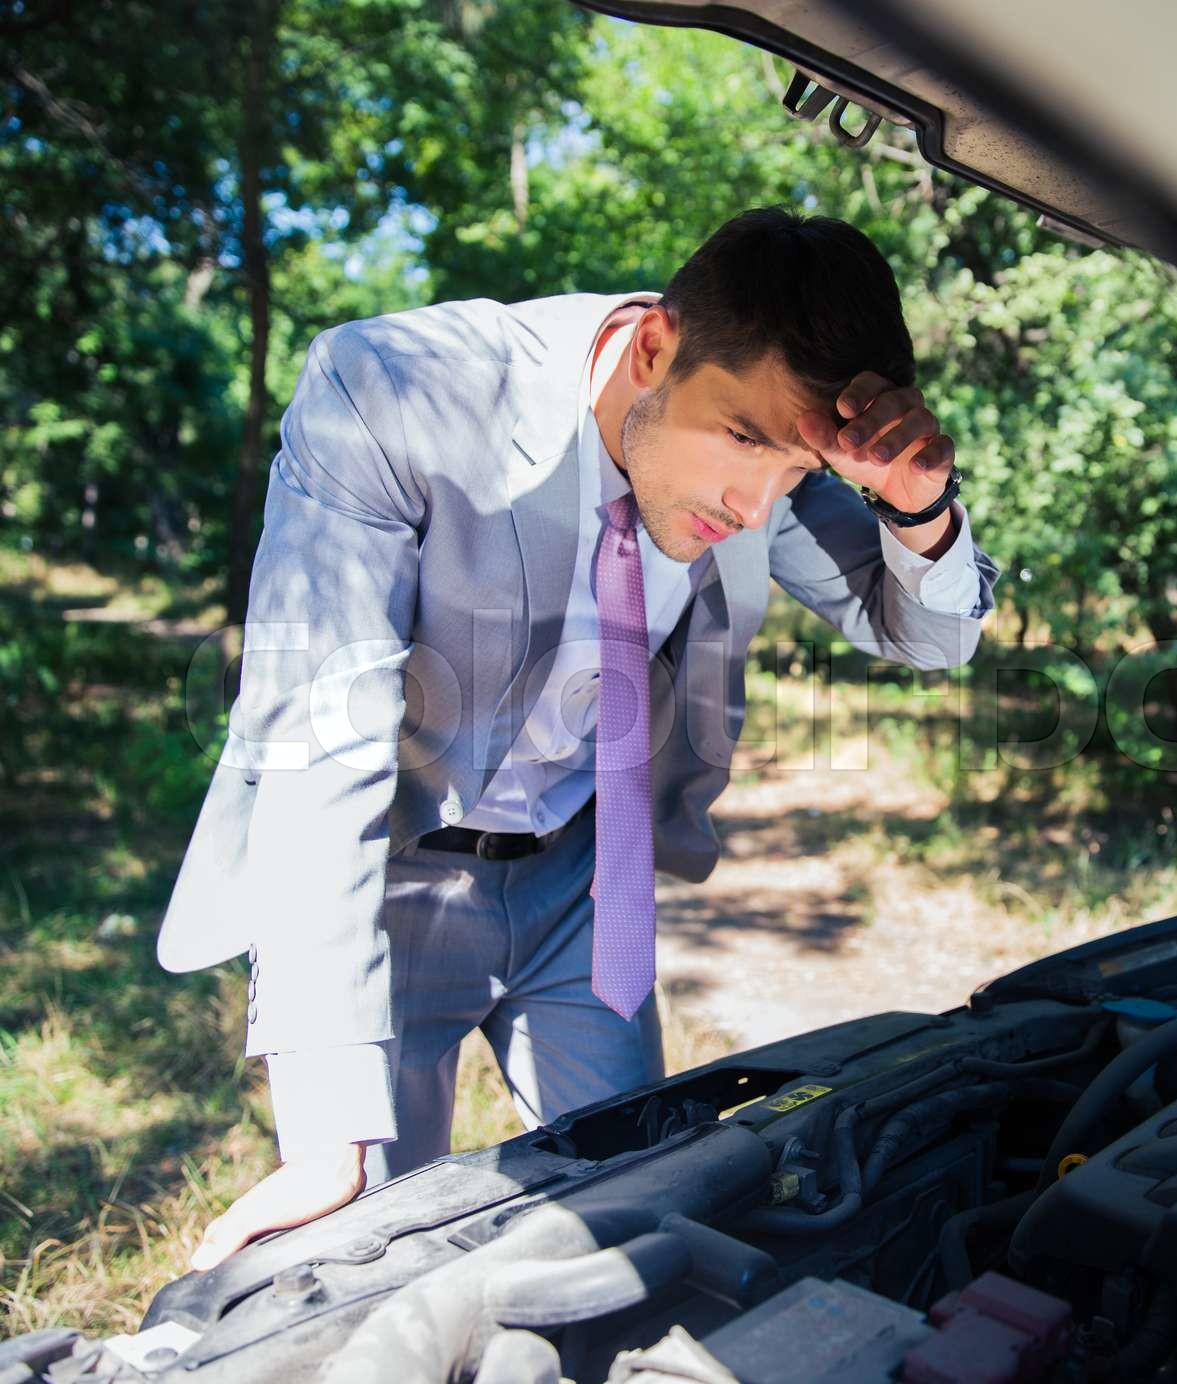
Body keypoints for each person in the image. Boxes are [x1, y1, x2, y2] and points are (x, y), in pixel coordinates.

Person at [158, 207, 998, 1270]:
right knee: (364, 1246)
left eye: (795, 472)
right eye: (743, 441)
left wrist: (919, 512)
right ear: (654, 347)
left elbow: (927, 635)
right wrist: (325, 1126)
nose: (754, 508)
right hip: (392, 872)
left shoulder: (759, 467)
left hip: (583, 881)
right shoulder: (395, 390)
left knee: (639, 1215)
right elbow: (319, 739)